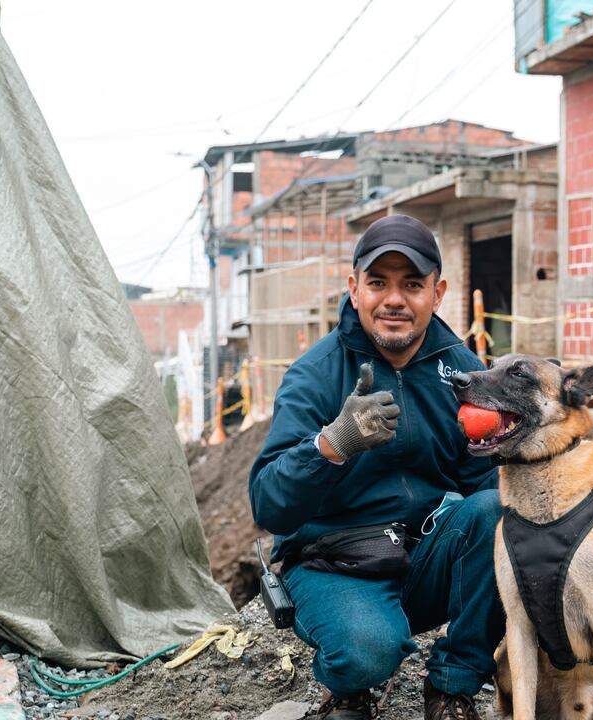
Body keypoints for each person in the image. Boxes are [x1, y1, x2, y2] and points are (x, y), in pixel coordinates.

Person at [249, 215, 502, 720]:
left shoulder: (464, 374)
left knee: (503, 510)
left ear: (437, 293)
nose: (394, 300)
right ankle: (348, 682)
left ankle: (452, 685)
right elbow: (269, 505)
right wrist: (333, 444)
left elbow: (487, 487)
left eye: (412, 285)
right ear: (354, 288)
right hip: (335, 563)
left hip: (425, 556)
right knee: (365, 653)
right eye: (378, 283)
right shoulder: (315, 375)